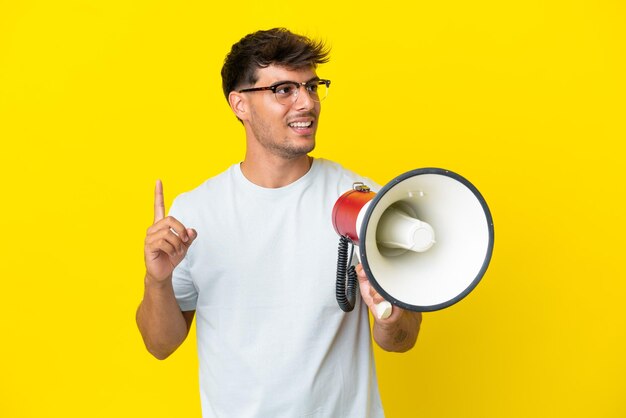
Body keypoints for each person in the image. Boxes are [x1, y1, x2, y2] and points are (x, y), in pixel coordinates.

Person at [136, 27, 422, 417]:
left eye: (312, 86)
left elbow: (402, 340)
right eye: (284, 90)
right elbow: (160, 344)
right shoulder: (196, 212)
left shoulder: (363, 202)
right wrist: (158, 280)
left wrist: (390, 315)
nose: (306, 102)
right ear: (240, 104)